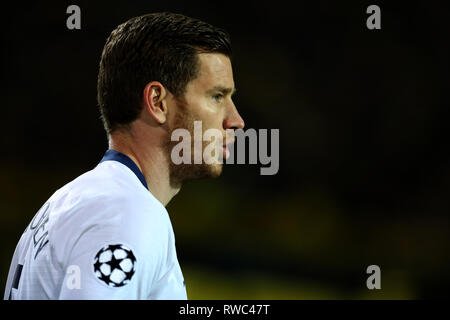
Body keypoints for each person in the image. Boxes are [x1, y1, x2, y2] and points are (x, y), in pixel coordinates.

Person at [4, 12, 244, 300]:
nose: (236, 119)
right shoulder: (126, 212)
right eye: (217, 96)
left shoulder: (69, 201)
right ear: (157, 102)